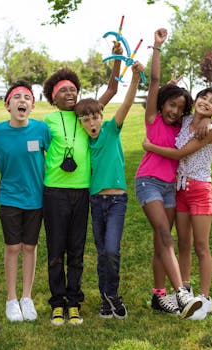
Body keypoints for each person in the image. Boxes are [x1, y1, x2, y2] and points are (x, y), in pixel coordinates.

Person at [42, 42, 123, 326]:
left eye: (73, 89)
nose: (70, 93)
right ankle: (57, 302)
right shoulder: (47, 121)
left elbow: (112, 90)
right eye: (63, 90)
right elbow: (29, 152)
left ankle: (74, 301)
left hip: (81, 192)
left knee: (76, 250)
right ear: (53, 96)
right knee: (55, 250)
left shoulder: (85, 113)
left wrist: (116, 60)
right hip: (53, 192)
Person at [142, 86, 212, 321]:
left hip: (200, 190)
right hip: (179, 189)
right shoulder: (186, 119)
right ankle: (185, 291)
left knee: (201, 246)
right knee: (183, 244)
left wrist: (149, 147)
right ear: (195, 99)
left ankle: (205, 297)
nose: (206, 102)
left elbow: (180, 154)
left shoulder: (208, 130)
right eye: (203, 98)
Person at [74, 61, 144, 320]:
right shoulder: (82, 143)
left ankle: (112, 293)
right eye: (86, 118)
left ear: (101, 117)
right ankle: (106, 298)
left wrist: (135, 78)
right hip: (95, 201)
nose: (92, 121)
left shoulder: (111, 131)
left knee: (112, 250)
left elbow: (125, 104)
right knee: (102, 253)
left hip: (116, 202)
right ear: (80, 123)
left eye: (95, 116)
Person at [0, 81, 50, 322]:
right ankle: (11, 299)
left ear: (32, 106)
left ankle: (26, 297)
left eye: (27, 97)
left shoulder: (41, 130)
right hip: (10, 197)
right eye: (17, 97)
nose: (22, 100)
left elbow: (52, 159)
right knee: (13, 247)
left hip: (36, 198)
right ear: (7, 105)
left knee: (30, 247)